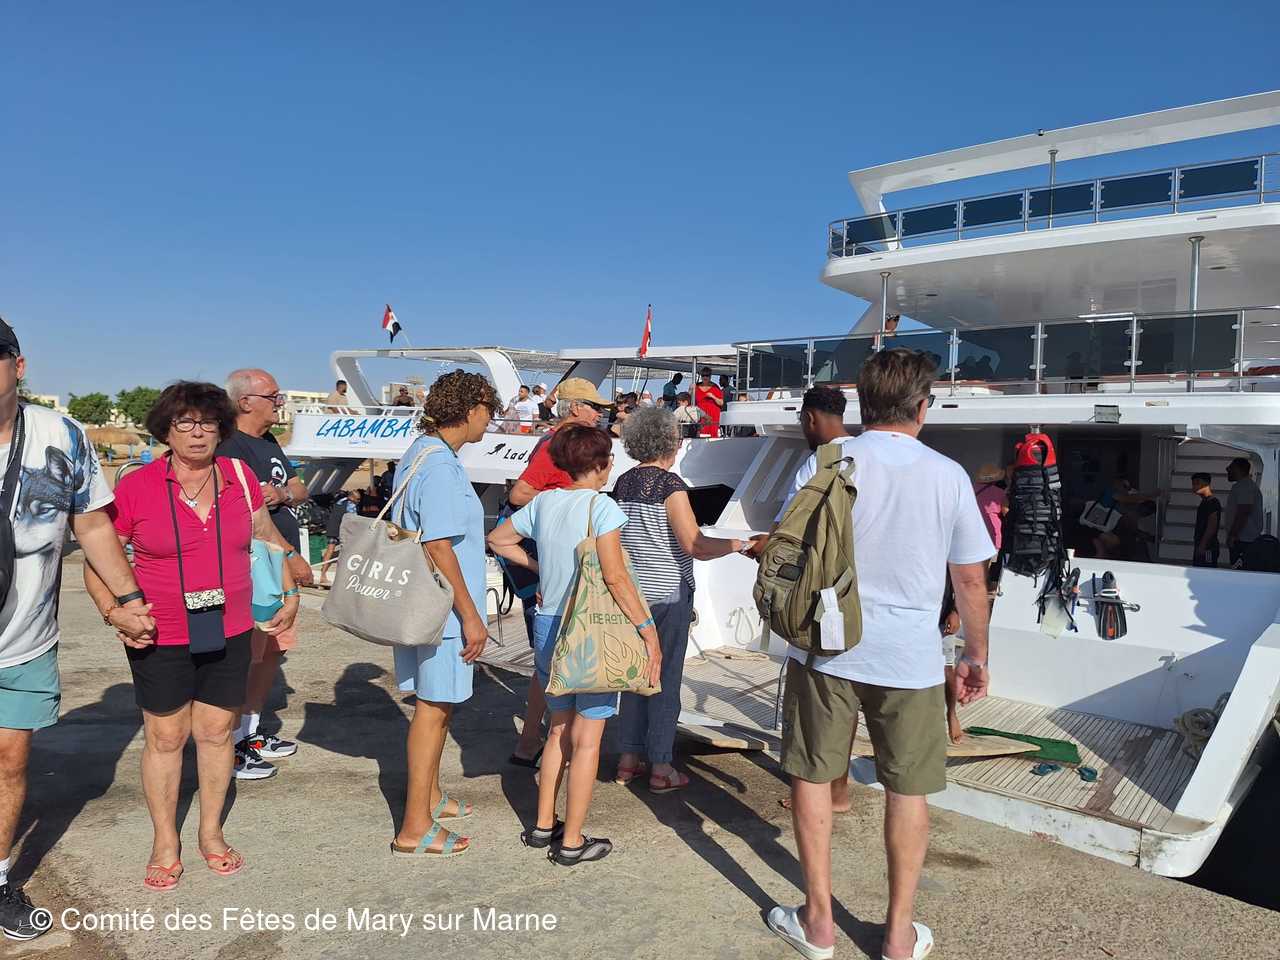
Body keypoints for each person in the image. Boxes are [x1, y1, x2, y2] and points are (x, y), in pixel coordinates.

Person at [756, 349, 994, 960]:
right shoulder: (948, 474)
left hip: (826, 645)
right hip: (910, 658)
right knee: (906, 792)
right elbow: (969, 578)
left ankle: (818, 924)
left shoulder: (828, 460)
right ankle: (897, 934)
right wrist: (974, 654)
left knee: (813, 776)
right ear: (923, 406)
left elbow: (786, 545)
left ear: (863, 404)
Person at [85, 382, 299, 891]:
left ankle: (210, 833)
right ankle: (165, 842)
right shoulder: (136, 486)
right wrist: (114, 612)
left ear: (222, 428)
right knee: (165, 737)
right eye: (185, 422)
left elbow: (267, 538)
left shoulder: (239, 477)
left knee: (217, 732)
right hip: (159, 630)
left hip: (230, 626)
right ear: (167, 430)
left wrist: (290, 591)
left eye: (207, 422)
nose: (197, 432)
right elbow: (99, 561)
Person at [0, 319, 155, 939]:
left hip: (23, 640)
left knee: (10, 761)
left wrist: (128, 599)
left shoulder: (61, 434)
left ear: (18, 366)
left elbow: (91, 525)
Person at [487, 426, 660, 865]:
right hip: (589, 630)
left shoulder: (544, 502)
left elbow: (498, 539)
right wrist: (647, 629)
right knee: (588, 740)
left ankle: (544, 826)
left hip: (549, 624)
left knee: (558, 729)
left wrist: (541, 568)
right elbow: (615, 577)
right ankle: (573, 841)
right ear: (600, 464)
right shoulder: (602, 507)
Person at [389, 371, 498, 858]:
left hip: (424, 602)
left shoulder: (422, 452)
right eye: (488, 411)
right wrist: (471, 615)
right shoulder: (439, 466)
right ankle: (414, 826)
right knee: (433, 711)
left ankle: (430, 797)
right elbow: (438, 545)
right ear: (471, 409)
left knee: (436, 706)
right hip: (444, 609)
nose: (490, 421)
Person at [613, 407, 743, 791]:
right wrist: (739, 544)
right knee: (665, 679)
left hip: (633, 595)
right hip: (669, 595)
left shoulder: (623, 483)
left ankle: (627, 759)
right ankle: (661, 766)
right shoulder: (670, 485)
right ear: (671, 442)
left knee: (635, 676)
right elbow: (694, 545)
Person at [503, 378, 613, 767]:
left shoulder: (559, 443)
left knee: (548, 661)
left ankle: (537, 741)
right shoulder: (556, 446)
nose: (599, 414)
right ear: (574, 408)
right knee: (550, 662)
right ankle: (540, 742)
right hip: (547, 568)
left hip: (545, 564)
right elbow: (519, 494)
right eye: (594, 406)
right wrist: (565, 501)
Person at [219, 369, 315, 779]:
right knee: (247, 655)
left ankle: (250, 732)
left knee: (273, 650)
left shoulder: (270, 441)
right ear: (245, 402)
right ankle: (228, 745)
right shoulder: (229, 446)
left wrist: (282, 493)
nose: (280, 403)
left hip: (277, 565)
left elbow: (300, 489)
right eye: (273, 396)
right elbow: (250, 518)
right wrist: (290, 557)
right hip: (257, 565)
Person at [768, 387, 858, 817]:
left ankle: (817, 790)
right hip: (860, 597)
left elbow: (787, 529)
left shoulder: (818, 462)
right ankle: (839, 789)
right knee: (847, 699)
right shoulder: (868, 455)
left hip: (820, 595)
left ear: (809, 418)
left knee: (814, 700)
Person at [1226, 457, 1264, 568]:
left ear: (1239, 469)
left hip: (1243, 541)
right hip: (1243, 540)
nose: (1227, 469)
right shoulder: (1242, 486)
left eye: (1231, 467)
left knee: (1240, 571)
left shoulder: (1245, 486)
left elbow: (1243, 511)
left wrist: (1233, 535)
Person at [319, 489, 361, 587]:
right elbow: (354, 519)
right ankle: (342, 575)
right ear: (352, 497)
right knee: (345, 552)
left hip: (332, 527)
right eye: (357, 499)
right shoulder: (351, 505)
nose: (358, 501)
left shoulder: (340, 501)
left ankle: (323, 573)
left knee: (329, 550)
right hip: (341, 530)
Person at [1190, 473, 1221, 568]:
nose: (1194, 486)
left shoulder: (1212, 502)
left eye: (1197, 483)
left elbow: (1212, 525)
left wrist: (1203, 544)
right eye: (1193, 484)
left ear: (1206, 484)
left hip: (1208, 547)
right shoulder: (1204, 502)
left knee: (1208, 570)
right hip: (1201, 544)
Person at [692, 367, 724, 438]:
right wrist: (690, 389)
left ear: (710, 376)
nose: (705, 377)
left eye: (707, 375)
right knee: (700, 433)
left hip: (713, 415)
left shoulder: (715, 387)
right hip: (700, 415)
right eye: (703, 375)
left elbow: (721, 403)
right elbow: (689, 399)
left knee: (712, 435)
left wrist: (713, 397)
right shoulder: (696, 386)